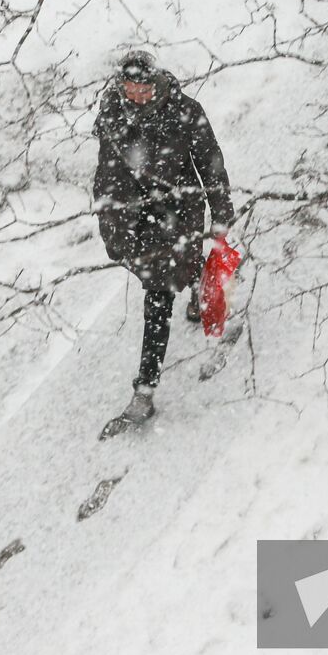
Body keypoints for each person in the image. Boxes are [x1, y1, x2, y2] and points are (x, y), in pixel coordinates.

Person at [93, 50, 234, 431]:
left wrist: (221, 210)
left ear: (156, 82)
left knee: (159, 298)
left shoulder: (184, 110)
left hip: (183, 211)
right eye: (129, 88)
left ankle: (145, 392)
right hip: (143, 222)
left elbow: (210, 161)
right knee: (160, 289)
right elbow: (108, 179)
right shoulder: (114, 119)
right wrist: (113, 228)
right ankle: (193, 290)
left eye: (143, 87)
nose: (137, 95)